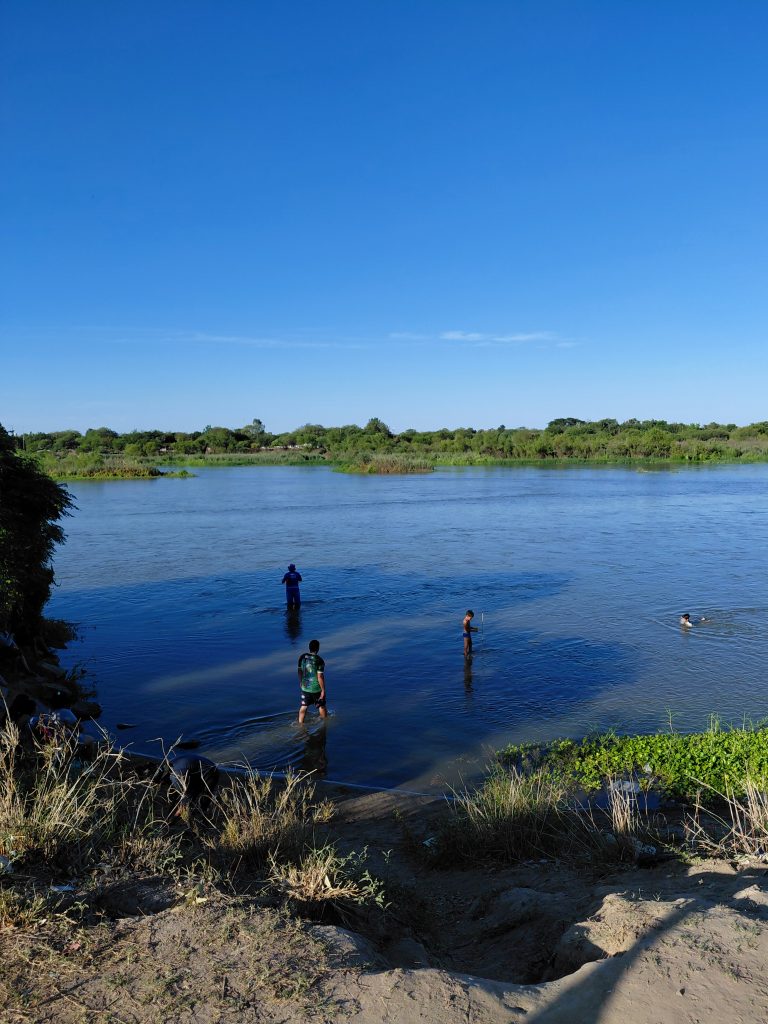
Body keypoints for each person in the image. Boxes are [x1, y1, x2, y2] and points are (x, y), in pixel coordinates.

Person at [298, 639, 327, 724]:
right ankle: (325, 723)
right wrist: (323, 691)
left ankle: (300, 724)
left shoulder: (302, 657)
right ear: (318, 648)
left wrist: (301, 682)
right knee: (321, 706)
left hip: (305, 686)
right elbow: (320, 676)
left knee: (304, 706)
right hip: (315, 688)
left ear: (309, 647)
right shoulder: (319, 660)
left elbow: (299, 671)